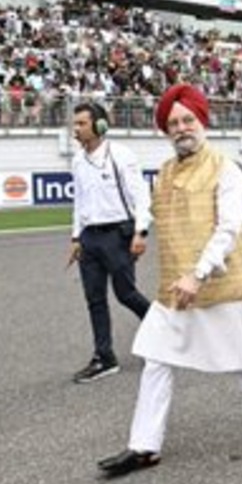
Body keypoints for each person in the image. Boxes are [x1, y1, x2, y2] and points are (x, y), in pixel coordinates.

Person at [97, 85, 242, 477]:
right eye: (173, 123)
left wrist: (197, 273)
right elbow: (153, 211)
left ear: (202, 122)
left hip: (217, 286)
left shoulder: (226, 169)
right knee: (156, 358)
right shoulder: (166, 171)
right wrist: (139, 235)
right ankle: (145, 446)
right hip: (174, 291)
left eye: (187, 120)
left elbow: (230, 228)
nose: (181, 128)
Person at [69, 102, 152, 383]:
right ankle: (104, 358)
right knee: (95, 300)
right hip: (89, 238)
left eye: (81, 123)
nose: (76, 129)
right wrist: (76, 236)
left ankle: (166, 332)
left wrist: (141, 232)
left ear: (100, 125)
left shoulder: (120, 155)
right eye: (75, 124)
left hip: (118, 235)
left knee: (126, 294)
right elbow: (79, 201)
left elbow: (141, 195)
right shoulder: (78, 160)